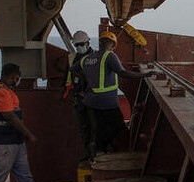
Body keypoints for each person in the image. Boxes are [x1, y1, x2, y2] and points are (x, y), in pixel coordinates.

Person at [75, 31, 154, 155]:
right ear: (112, 45)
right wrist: (144, 75)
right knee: (118, 125)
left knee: (99, 127)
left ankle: (97, 149)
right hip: (107, 101)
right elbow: (122, 73)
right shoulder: (109, 56)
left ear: (100, 43)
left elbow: (73, 69)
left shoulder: (88, 58)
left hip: (91, 101)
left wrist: (85, 80)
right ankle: (99, 147)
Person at [0, 63, 37, 182]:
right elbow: (9, 116)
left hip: (15, 143)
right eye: (17, 77)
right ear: (13, 76)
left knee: (25, 176)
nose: (18, 79)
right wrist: (28, 133)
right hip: (1, 144)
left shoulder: (8, 91)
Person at [64, 30, 95, 160]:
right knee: (83, 127)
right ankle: (87, 153)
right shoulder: (74, 58)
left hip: (92, 98)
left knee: (95, 126)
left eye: (81, 44)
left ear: (88, 42)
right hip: (78, 98)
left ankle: (95, 153)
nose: (79, 47)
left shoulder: (95, 58)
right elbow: (68, 74)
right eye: (77, 45)